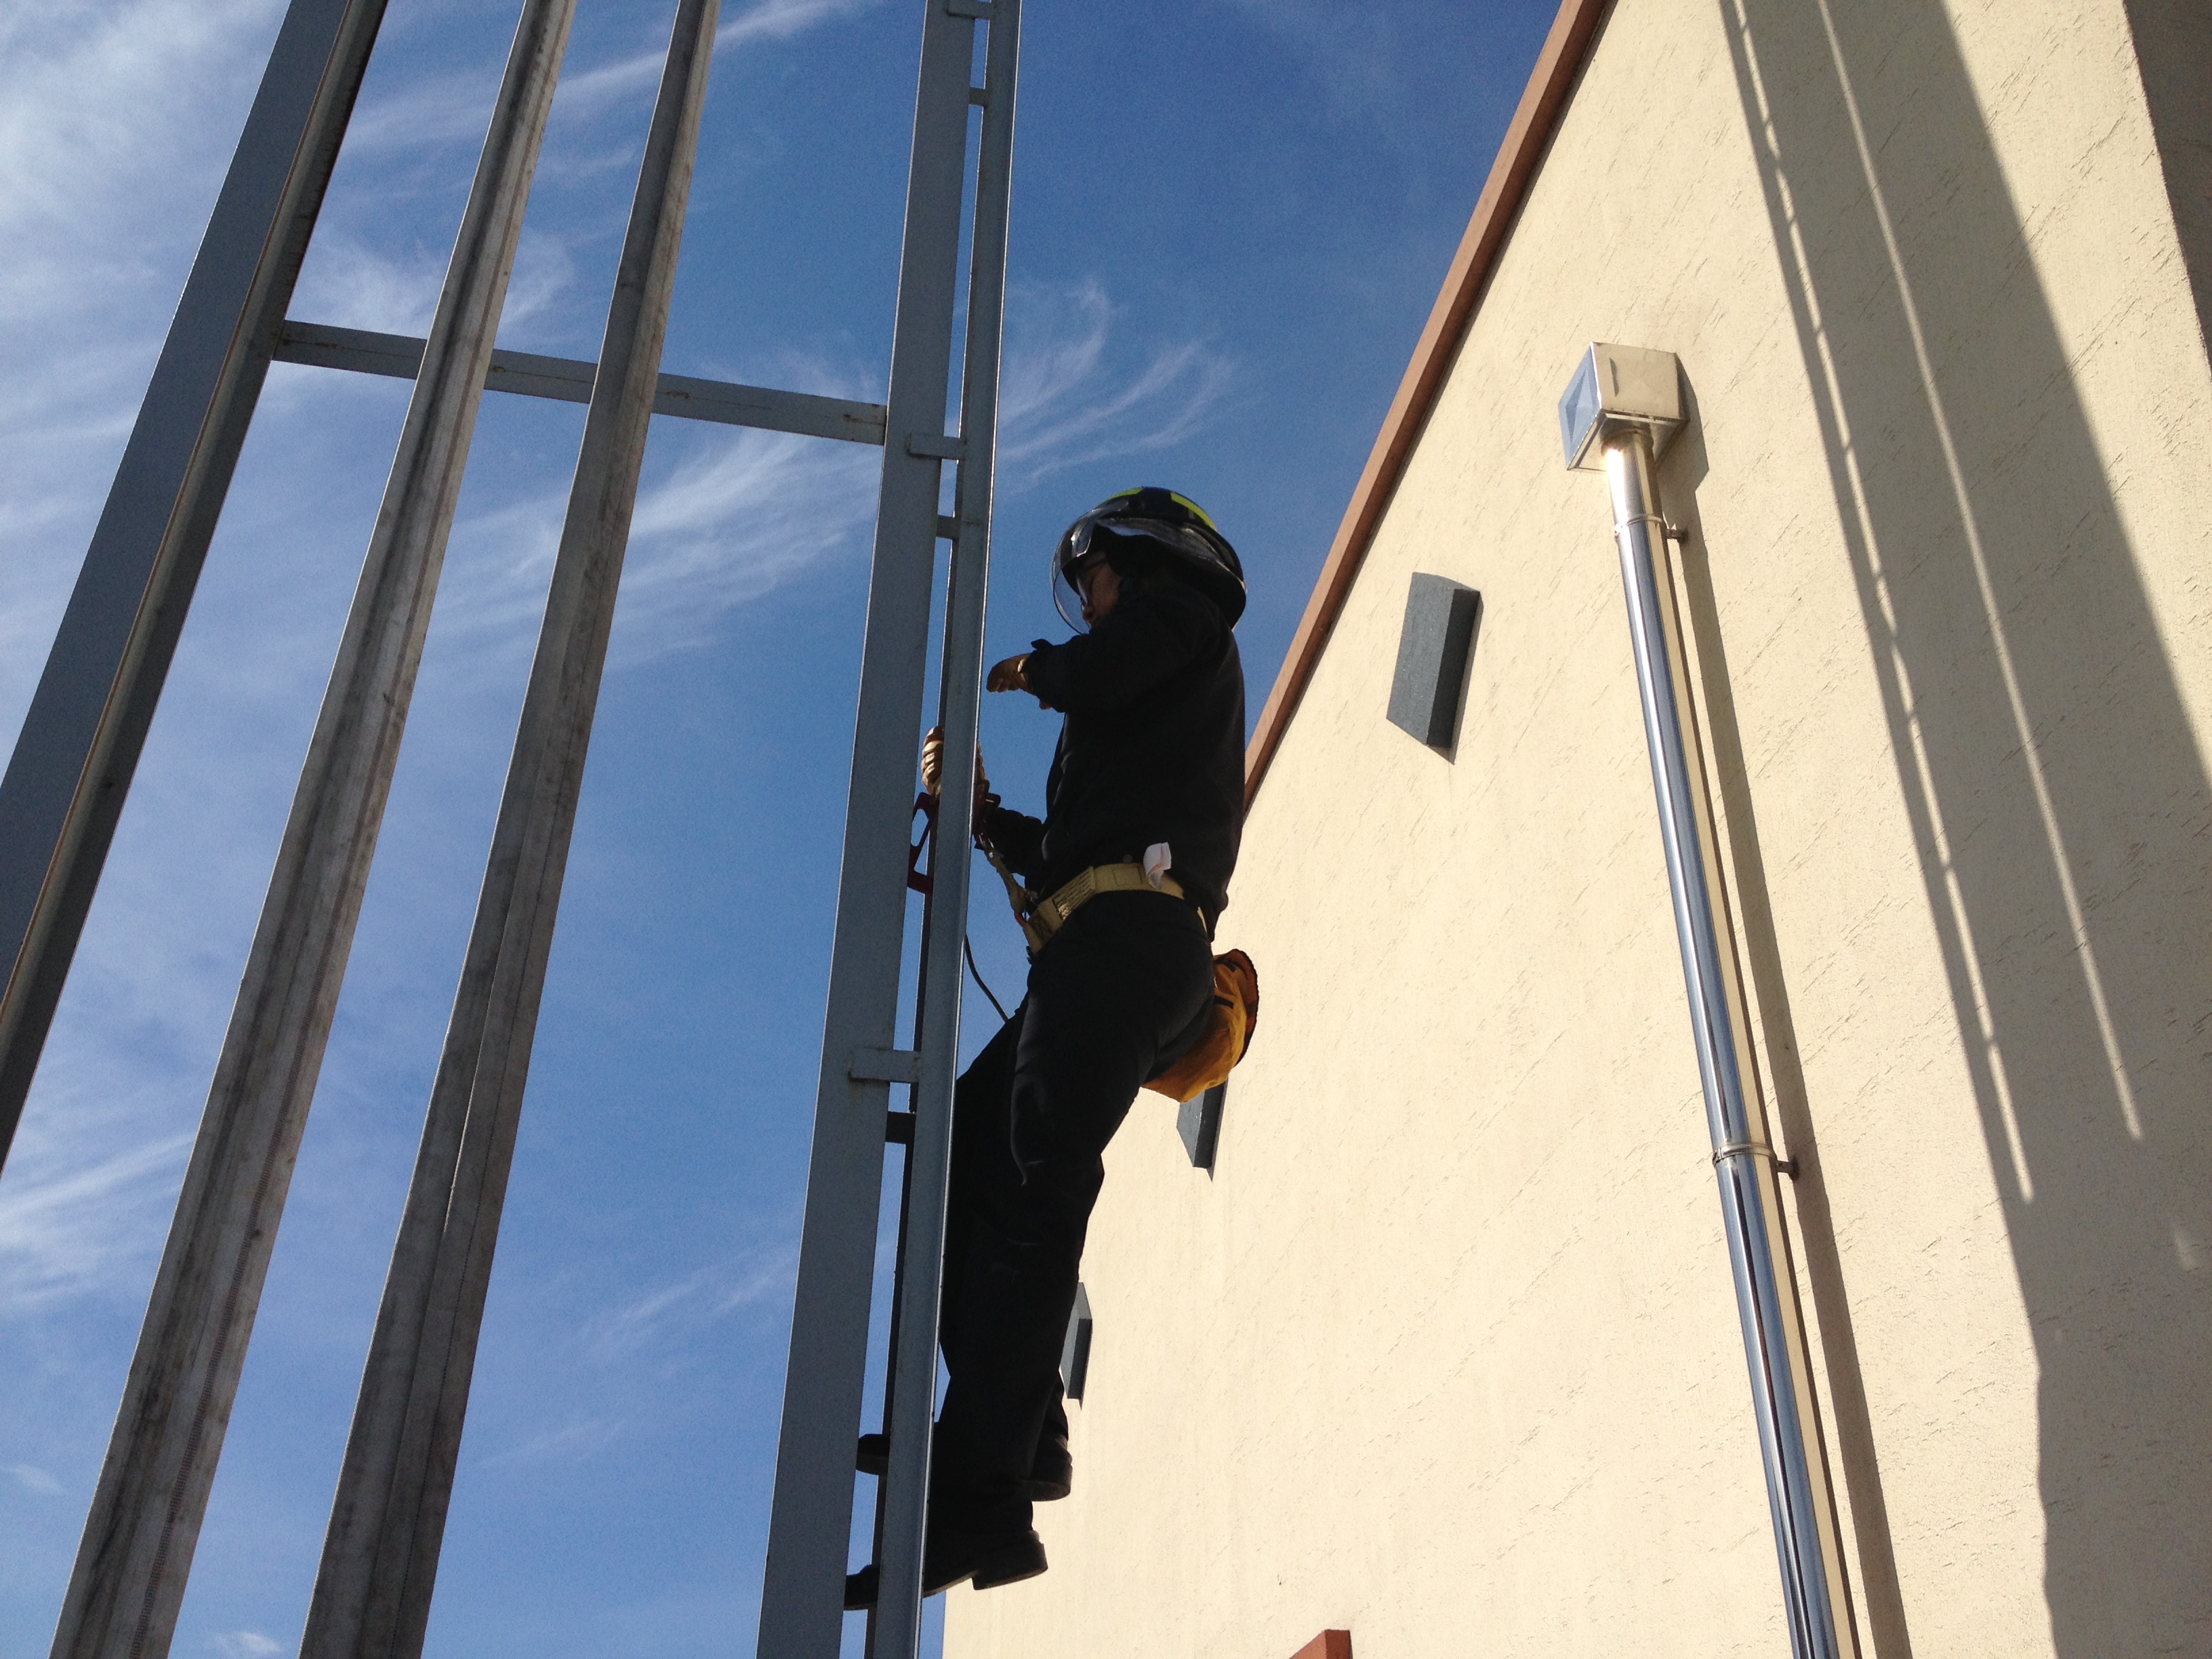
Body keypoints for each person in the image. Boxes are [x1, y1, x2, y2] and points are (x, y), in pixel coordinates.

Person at [846, 487, 1248, 1607]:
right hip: (1100, 952)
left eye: (1093, 581)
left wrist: (1029, 672)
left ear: (1146, 557)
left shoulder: (1179, 628)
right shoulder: (1142, 701)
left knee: (1034, 1187)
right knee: (964, 1156)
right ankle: (1020, 1439)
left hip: (1130, 949)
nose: (1089, 604)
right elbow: (1071, 848)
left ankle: (981, 1495)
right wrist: (981, 814)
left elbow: (1095, 671)